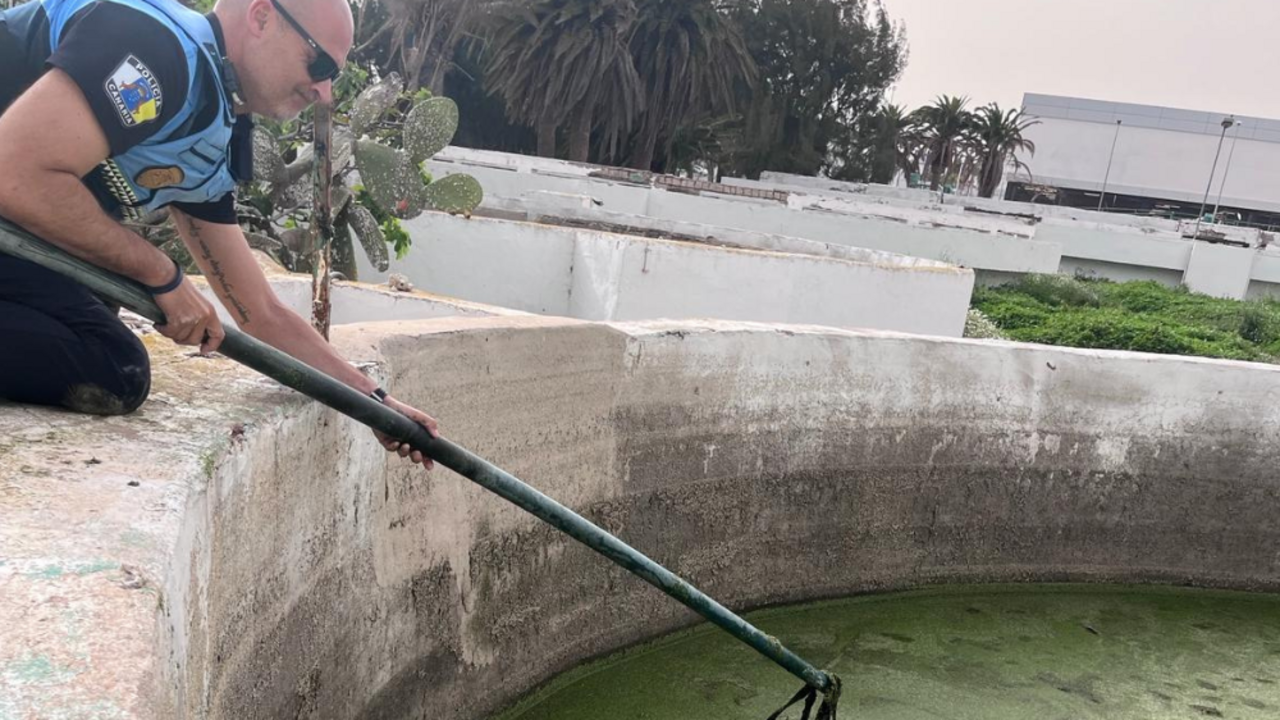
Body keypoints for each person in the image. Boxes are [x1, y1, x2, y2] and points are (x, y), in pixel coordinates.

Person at [0, 0, 438, 467]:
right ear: (261, 16)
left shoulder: (207, 132)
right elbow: (13, 174)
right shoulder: (154, 47)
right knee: (112, 365)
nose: (325, 91)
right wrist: (161, 273)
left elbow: (262, 312)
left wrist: (372, 401)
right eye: (321, 63)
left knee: (93, 309)